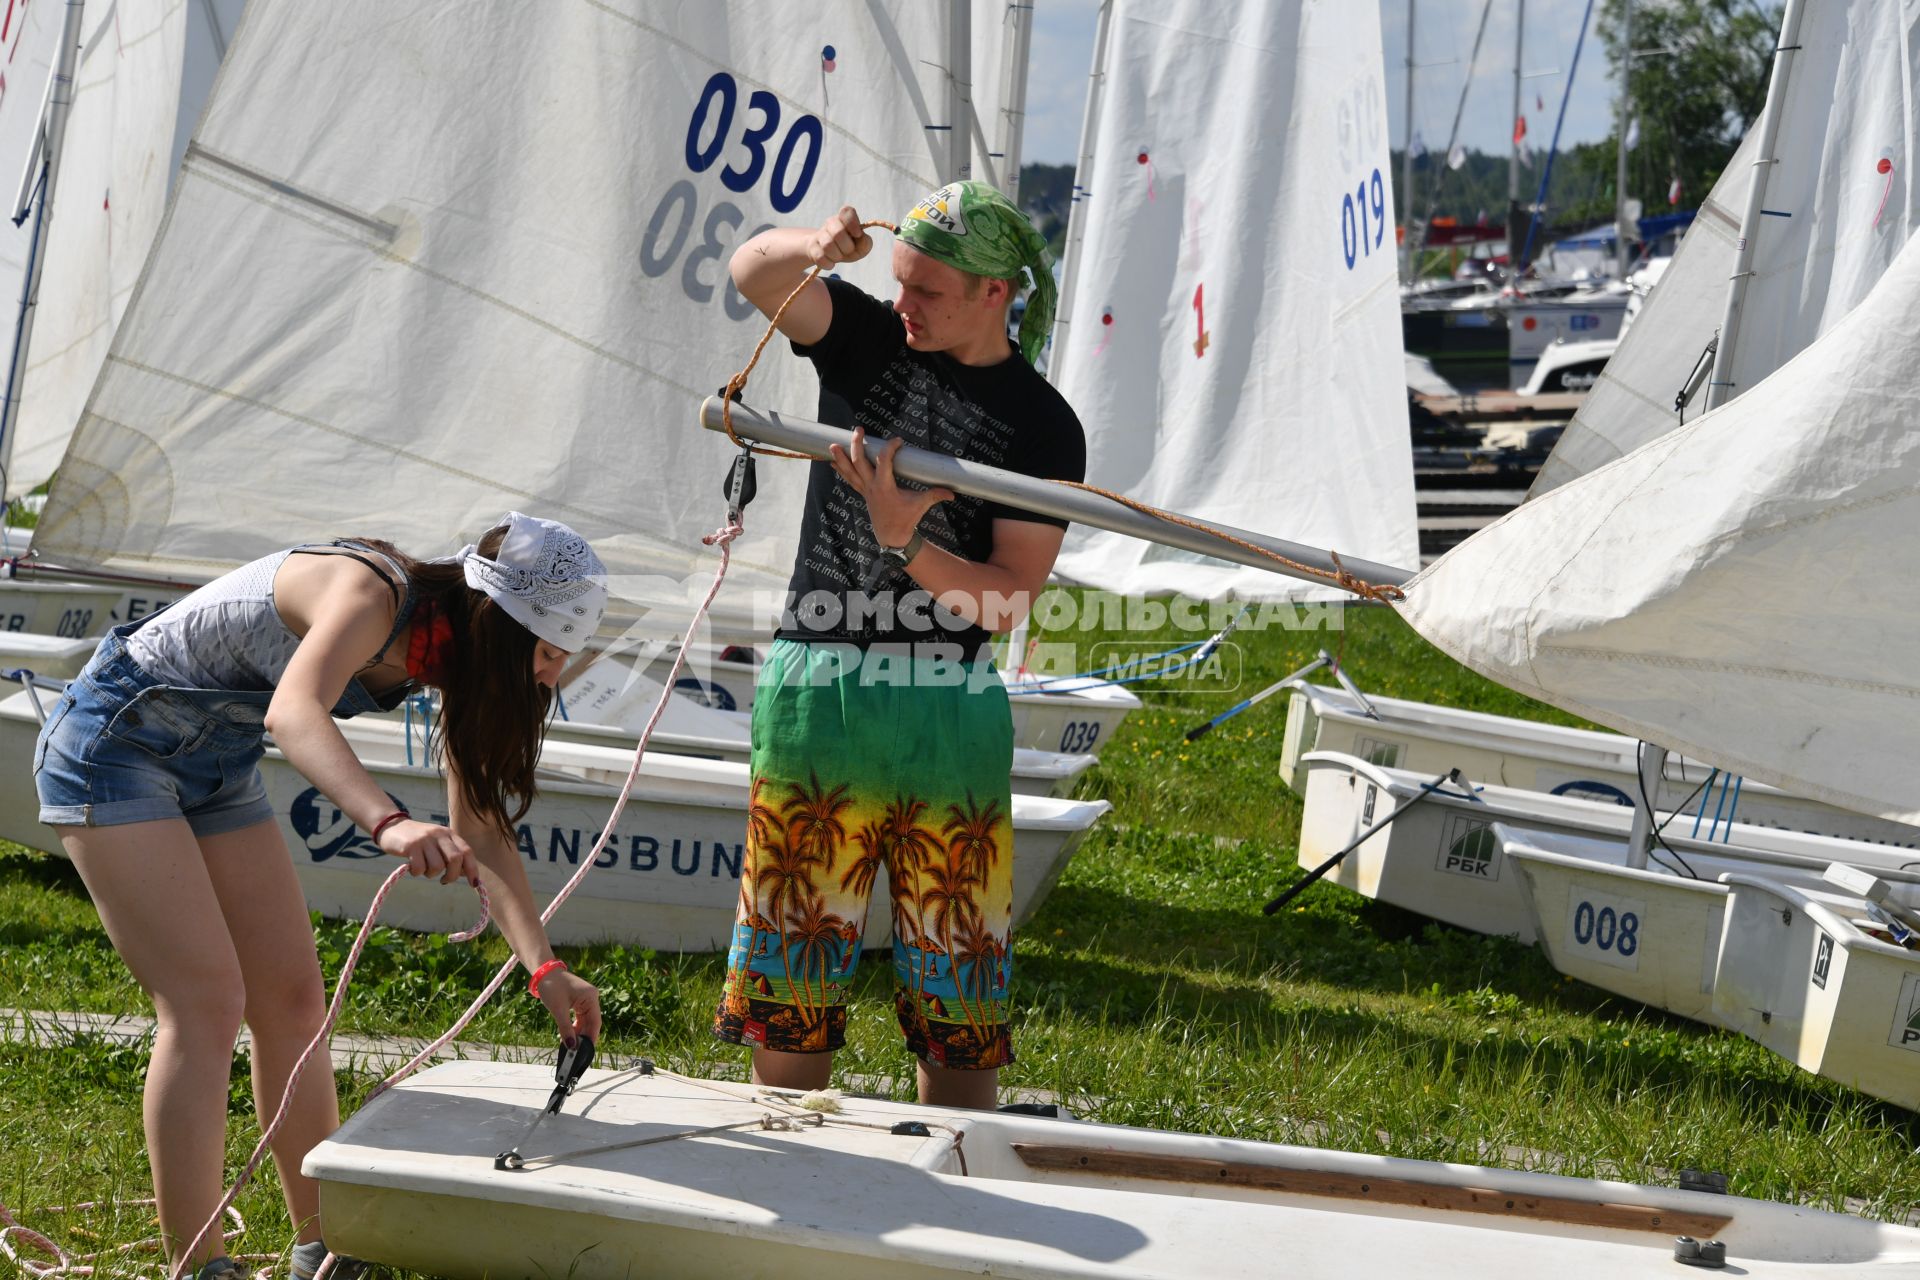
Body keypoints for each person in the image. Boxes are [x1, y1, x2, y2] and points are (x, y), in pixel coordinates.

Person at [32, 512, 607, 1280]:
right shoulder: (372, 591)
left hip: (215, 762)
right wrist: (390, 822)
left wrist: (543, 969)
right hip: (113, 741)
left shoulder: (456, 655)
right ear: (498, 620)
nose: (550, 675)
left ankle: (323, 1247)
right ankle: (199, 1267)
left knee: (296, 1003)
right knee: (206, 1001)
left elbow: (483, 831)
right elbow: (292, 711)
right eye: (544, 652)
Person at [713, 180, 1085, 1109]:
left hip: (947, 710)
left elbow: (1005, 604)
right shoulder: (869, 338)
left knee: (959, 988)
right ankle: (789, 1179)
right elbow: (752, 267)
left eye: (927, 292)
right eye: (900, 282)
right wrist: (820, 243)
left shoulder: (1042, 426)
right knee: (793, 975)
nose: (905, 305)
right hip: (819, 690)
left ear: (995, 293)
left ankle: (957, 1195)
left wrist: (904, 541)